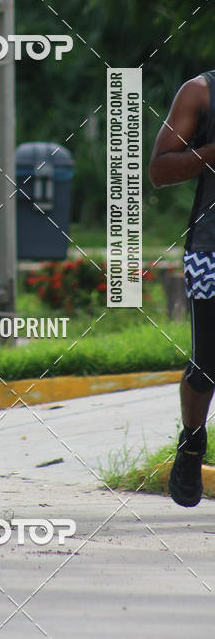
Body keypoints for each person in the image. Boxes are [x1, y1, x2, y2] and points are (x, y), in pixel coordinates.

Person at [149, 70, 215, 506]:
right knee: (208, 365)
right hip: (212, 250)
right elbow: (159, 169)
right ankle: (192, 444)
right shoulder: (201, 92)